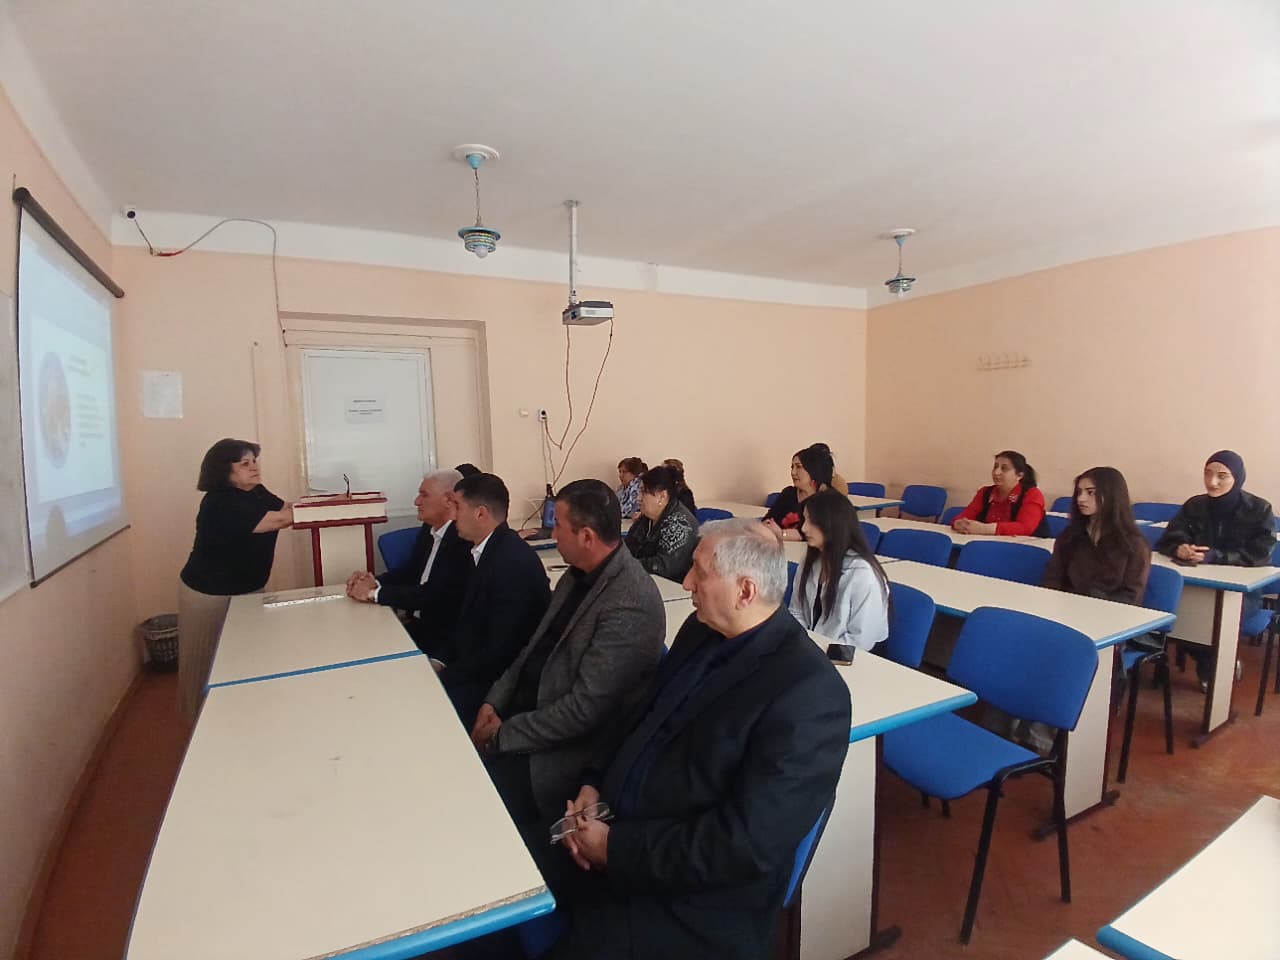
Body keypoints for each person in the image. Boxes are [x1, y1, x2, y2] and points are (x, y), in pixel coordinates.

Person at [554, 519, 852, 960]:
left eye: (700, 572)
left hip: (690, 900)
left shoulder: (811, 694)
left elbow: (740, 846)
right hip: (615, 828)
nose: (687, 583)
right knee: (506, 882)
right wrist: (593, 781)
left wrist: (614, 849)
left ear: (745, 591)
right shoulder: (700, 629)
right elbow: (641, 714)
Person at [472, 479, 666, 826]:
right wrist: (494, 701)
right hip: (524, 715)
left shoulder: (631, 602)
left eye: (558, 525)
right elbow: (532, 649)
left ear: (587, 537)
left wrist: (502, 736)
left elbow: (584, 711)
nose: (552, 533)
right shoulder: (576, 575)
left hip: (562, 753)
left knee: (471, 805)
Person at [177, 439, 293, 721]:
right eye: (244, 463)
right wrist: (329, 511)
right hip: (210, 595)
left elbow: (286, 508)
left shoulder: (256, 491)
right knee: (205, 663)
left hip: (248, 589)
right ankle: (198, 724)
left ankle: (239, 717)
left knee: (245, 656)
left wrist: (325, 503)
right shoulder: (220, 502)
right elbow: (278, 520)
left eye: (254, 461)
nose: (254, 467)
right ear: (224, 471)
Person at [429, 473, 552, 724]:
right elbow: (466, 624)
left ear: (481, 513)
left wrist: (441, 678)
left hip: (502, 686)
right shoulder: (484, 550)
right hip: (476, 665)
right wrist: (437, 661)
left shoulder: (511, 562)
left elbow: (499, 653)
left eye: (458, 507)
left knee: (421, 707)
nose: (452, 516)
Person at [1155, 451, 1275, 689]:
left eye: (1222, 476)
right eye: (1207, 474)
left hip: (1240, 593)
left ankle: (1214, 664)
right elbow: (1170, 536)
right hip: (1195, 585)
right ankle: (1213, 661)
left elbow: (1260, 553)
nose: (1212, 482)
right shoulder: (1195, 505)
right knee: (1177, 616)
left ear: (1237, 477)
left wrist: (1215, 556)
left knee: (1212, 621)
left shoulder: (1259, 509)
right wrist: (1180, 548)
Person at [344, 469, 472, 653]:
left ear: (449, 500)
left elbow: (434, 595)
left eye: (424, 495)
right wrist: (372, 581)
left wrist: (373, 593)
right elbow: (412, 572)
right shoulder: (429, 528)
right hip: (421, 624)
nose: (416, 501)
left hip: (445, 636)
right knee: (358, 640)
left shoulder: (464, 538)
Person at [789, 491, 890, 652]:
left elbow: (861, 640)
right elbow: (796, 611)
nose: (803, 528)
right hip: (812, 649)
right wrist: (800, 644)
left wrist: (816, 652)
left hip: (848, 656)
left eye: (812, 521)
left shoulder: (862, 574)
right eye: (805, 519)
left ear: (832, 523)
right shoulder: (810, 561)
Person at [1043, 467, 1151, 603]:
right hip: (1066, 607)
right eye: (1079, 492)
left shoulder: (1134, 544)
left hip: (1110, 612)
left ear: (1111, 495)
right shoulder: (1070, 535)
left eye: (1090, 493)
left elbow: (1131, 596)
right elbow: (1053, 579)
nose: (1081, 499)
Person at [624, 465, 698, 581]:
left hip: (671, 587)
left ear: (662, 497)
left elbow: (664, 567)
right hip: (641, 579)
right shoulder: (646, 518)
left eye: (644, 492)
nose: (638, 498)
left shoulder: (680, 524)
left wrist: (626, 565)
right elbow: (627, 547)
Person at [953, 450, 1050, 537]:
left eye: (1004, 468)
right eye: (995, 467)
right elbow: (966, 515)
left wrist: (984, 529)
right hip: (989, 544)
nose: (996, 472)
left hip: (1026, 548)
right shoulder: (985, 492)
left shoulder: (1032, 494)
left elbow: (1025, 527)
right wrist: (959, 523)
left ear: (1019, 475)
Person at [763, 444, 835, 543]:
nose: (793, 472)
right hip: (779, 547)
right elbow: (768, 521)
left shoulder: (830, 499)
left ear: (813, 469)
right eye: (792, 467)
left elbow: (821, 533)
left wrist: (782, 534)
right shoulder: (788, 494)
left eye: (799, 467)